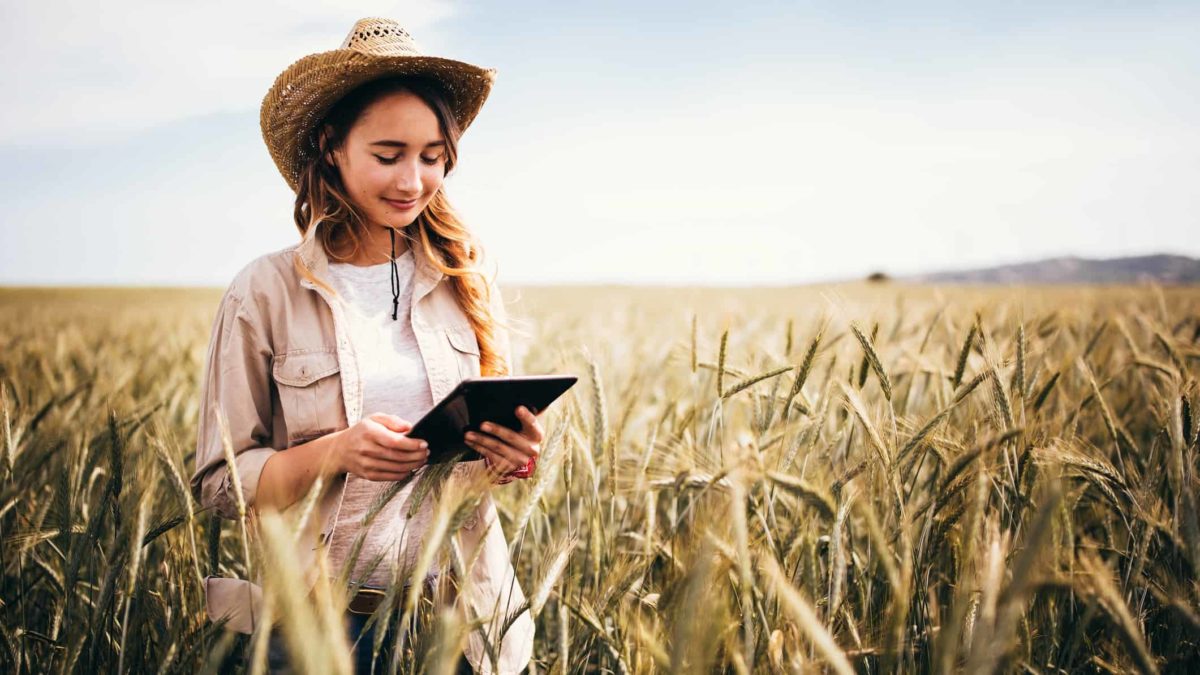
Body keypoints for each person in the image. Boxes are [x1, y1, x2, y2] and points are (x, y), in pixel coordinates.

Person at [189, 17, 539, 674]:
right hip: (318, 627)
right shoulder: (263, 293)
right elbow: (220, 484)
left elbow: (472, 473)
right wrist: (335, 452)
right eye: (388, 155)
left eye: (431, 156)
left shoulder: (466, 278)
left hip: (459, 624)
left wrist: (510, 458)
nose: (413, 180)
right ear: (332, 148)